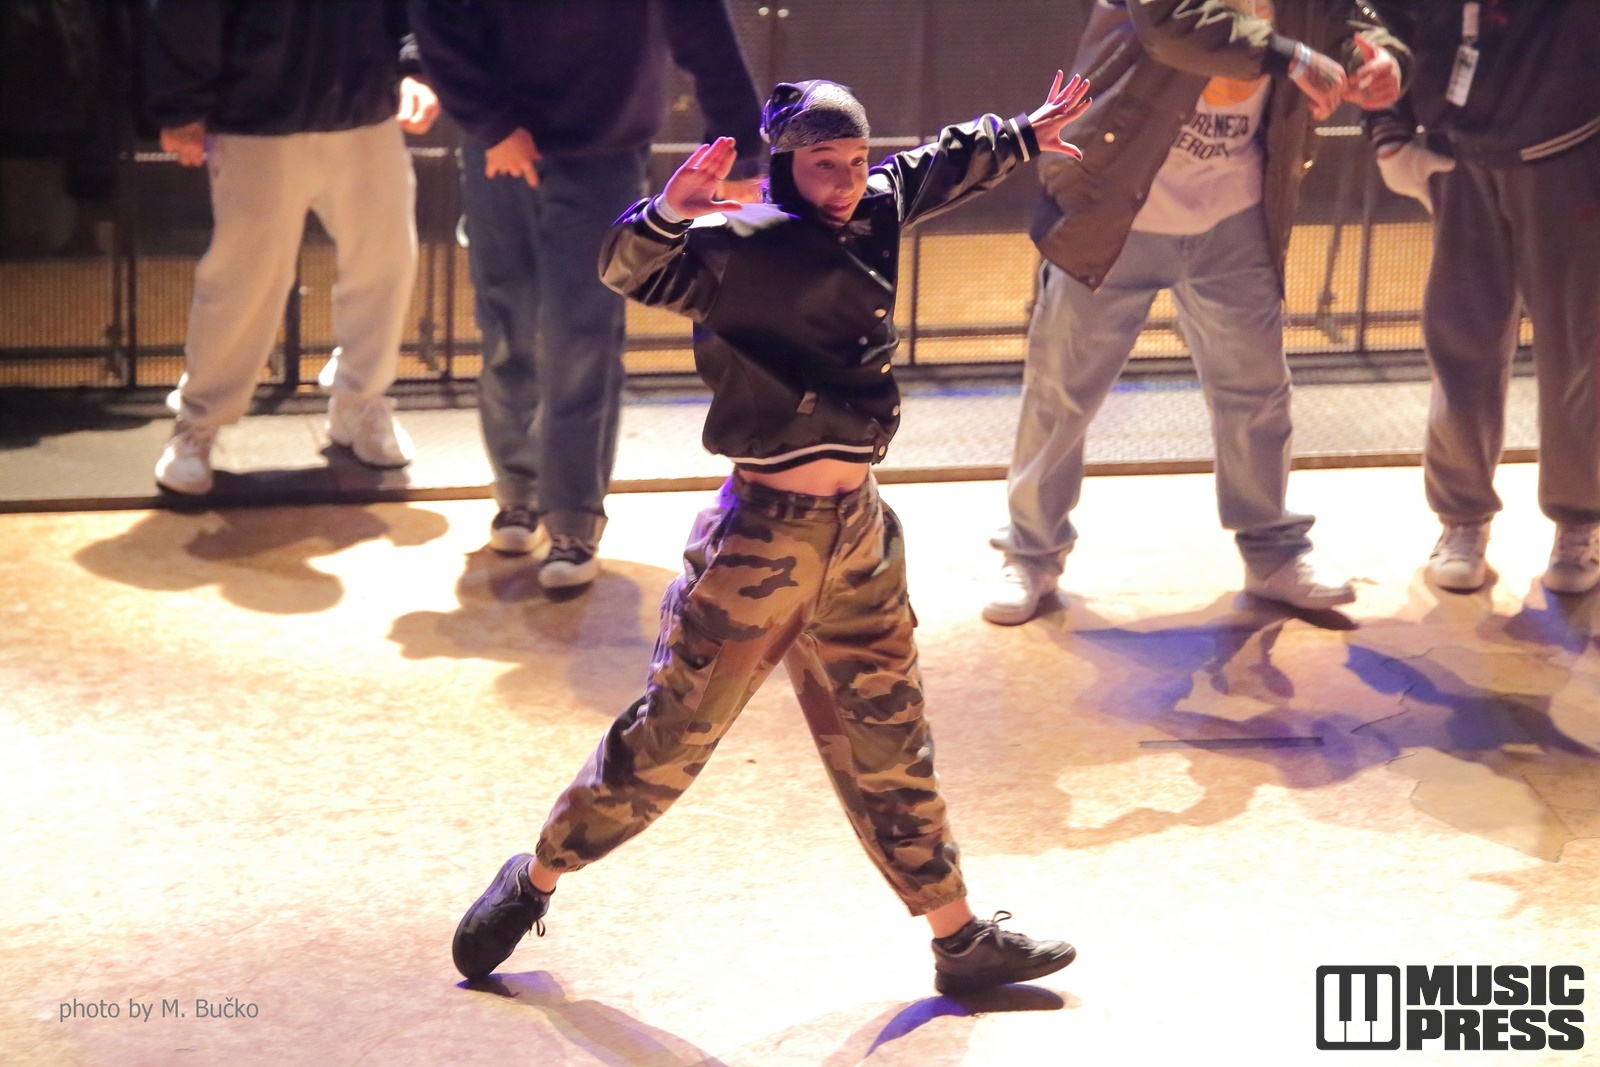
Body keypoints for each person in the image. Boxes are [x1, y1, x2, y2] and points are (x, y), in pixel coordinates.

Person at [450, 74, 1094, 994]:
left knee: (891, 735)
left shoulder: (873, 208)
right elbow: (626, 268)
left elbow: (935, 164)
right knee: (673, 736)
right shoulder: (739, 241)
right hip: (763, 539)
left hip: (859, 533)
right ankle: (537, 875)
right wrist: (667, 213)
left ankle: (959, 941)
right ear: (786, 166)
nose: (846, 178)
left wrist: (1024, 133)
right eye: (823, 162)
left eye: (855, 159)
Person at [983, 0, 1410, 625]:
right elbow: (1170, 24)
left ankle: (1272, 551)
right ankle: (1031, 552)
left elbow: (1345, 18)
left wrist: (1380, 59)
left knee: (1257, 390)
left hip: (1237, 211)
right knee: (1061, 391)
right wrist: (1293, 56)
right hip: (1118, 201)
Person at [409, 0, 764, 592]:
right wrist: (493, 125)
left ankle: (573, 520)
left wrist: (740, 144)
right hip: (499, 147)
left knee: (581, 336)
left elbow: (700, 24)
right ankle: (518, 493)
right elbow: (438, 19)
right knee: (507, 324)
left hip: (603, 147)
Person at [144, 0, 438, 496]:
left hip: (362, 103)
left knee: (386, 261)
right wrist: (182, 104)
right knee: (244, 279)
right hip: (257, 107)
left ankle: (360, 399)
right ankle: (199, 421)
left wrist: (416, 67)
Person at [1364, 0, 1600, 595]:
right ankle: (1462, 517)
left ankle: (1579, 521)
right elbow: (1383, 23)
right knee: (1460, 342)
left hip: (1571, 151)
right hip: (1457, 155)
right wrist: (1389, 134)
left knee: (1582, 350)